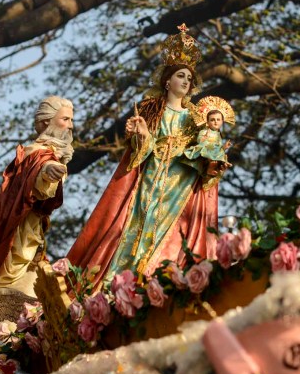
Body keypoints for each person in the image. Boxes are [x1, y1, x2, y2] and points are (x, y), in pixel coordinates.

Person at [67, 24, 227, 287]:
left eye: (189, 78)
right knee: (137, 222)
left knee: (171, 229)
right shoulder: (153, 110)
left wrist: (210, 156)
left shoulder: (196, 118)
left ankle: (154, 277)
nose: (186, 81)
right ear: (167, 80)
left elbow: (206, 147)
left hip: (180, 180)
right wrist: (141, 134)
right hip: (151, 176)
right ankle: (120, 281)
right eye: (181, 76)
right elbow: (143, 150)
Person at [0, 96, 74, 296]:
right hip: (19, 222)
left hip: (34, 224)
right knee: (16, 266)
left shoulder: (53, 152)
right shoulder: (38, 151)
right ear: (47, 121)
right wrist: (47, 171)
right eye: (65, 119)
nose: (70, 126)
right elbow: (35, 169)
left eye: (71, 120)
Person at [184, 96, 235, 184]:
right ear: (207, 122)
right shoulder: (205, 131)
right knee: (214, 154)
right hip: (206, 148)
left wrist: (224, 147)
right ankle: (210, 169)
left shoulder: (218, 135)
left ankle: (219, 164)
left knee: (218, 153)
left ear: (222, 121)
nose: (216, 122)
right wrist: (204, 139)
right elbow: (201, 139)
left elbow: (218, 145)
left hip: (214, 150)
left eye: (218, 119)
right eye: (212, 120)